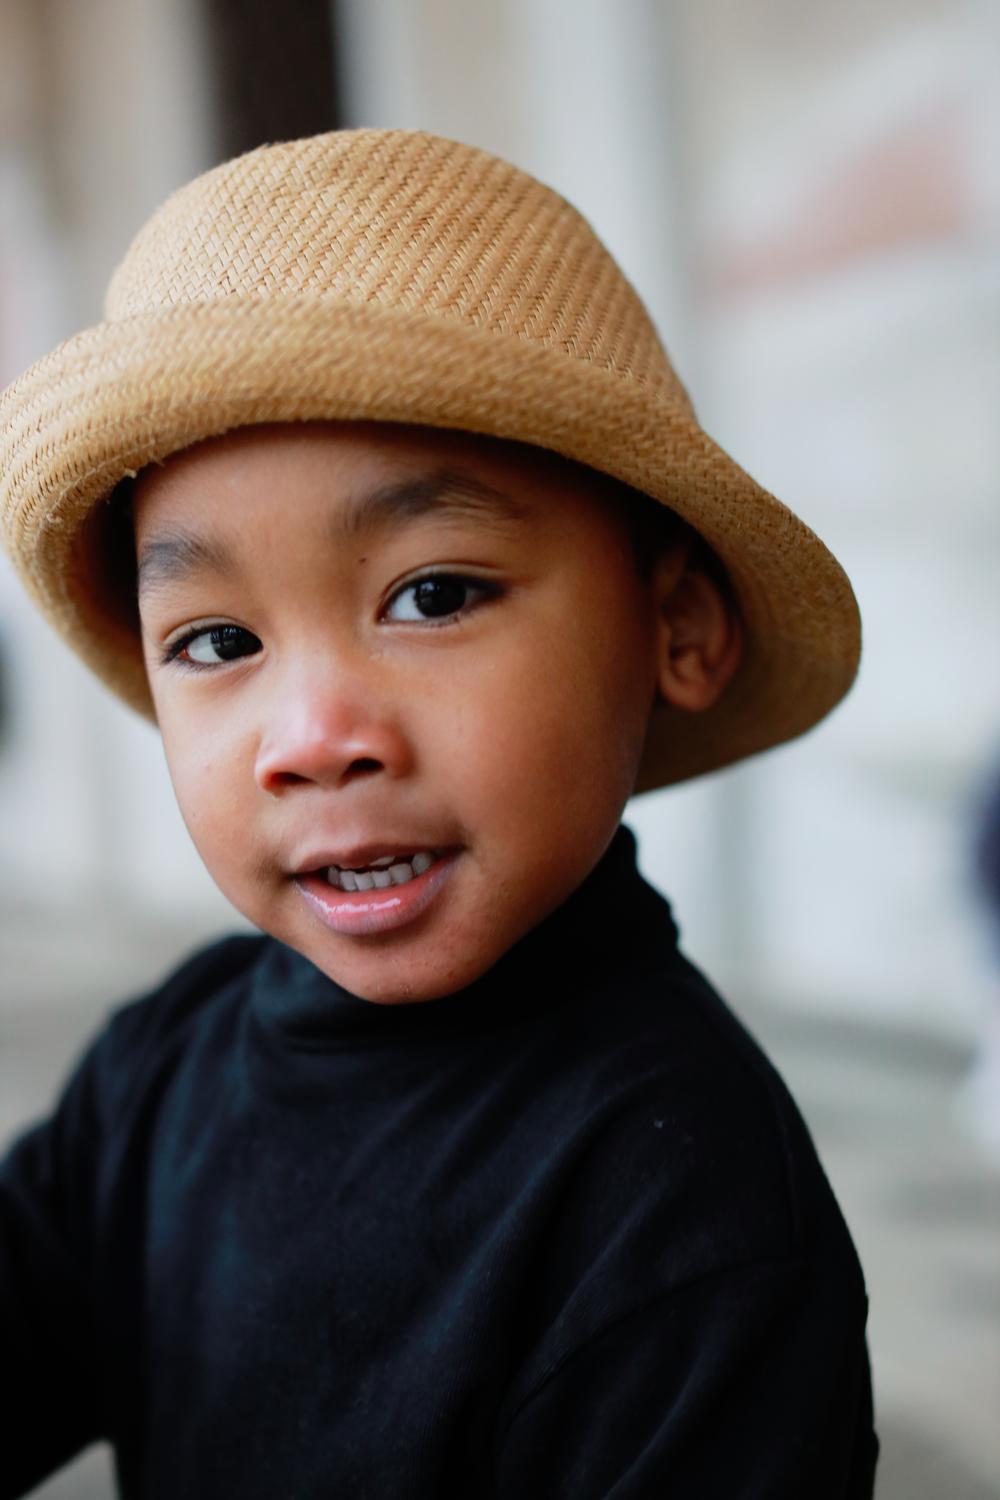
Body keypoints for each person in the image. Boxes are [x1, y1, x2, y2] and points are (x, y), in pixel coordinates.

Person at [0, 129, 878, 1497]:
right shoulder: (158, 1073)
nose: (313, 740)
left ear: (678, 623)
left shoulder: (678, 1215)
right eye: (220, 641)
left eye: (433, 595)